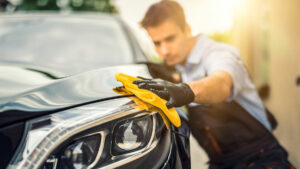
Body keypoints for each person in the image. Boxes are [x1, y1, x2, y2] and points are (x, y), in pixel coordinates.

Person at [134, 0, 295, 168]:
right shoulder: (181, 67)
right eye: (157, 43)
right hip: (222, 163)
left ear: (187, 29)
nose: (164, 51)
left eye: (170, 39)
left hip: (261, 159)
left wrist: (184, 90)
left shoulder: (219, 53)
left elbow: (221, 83)